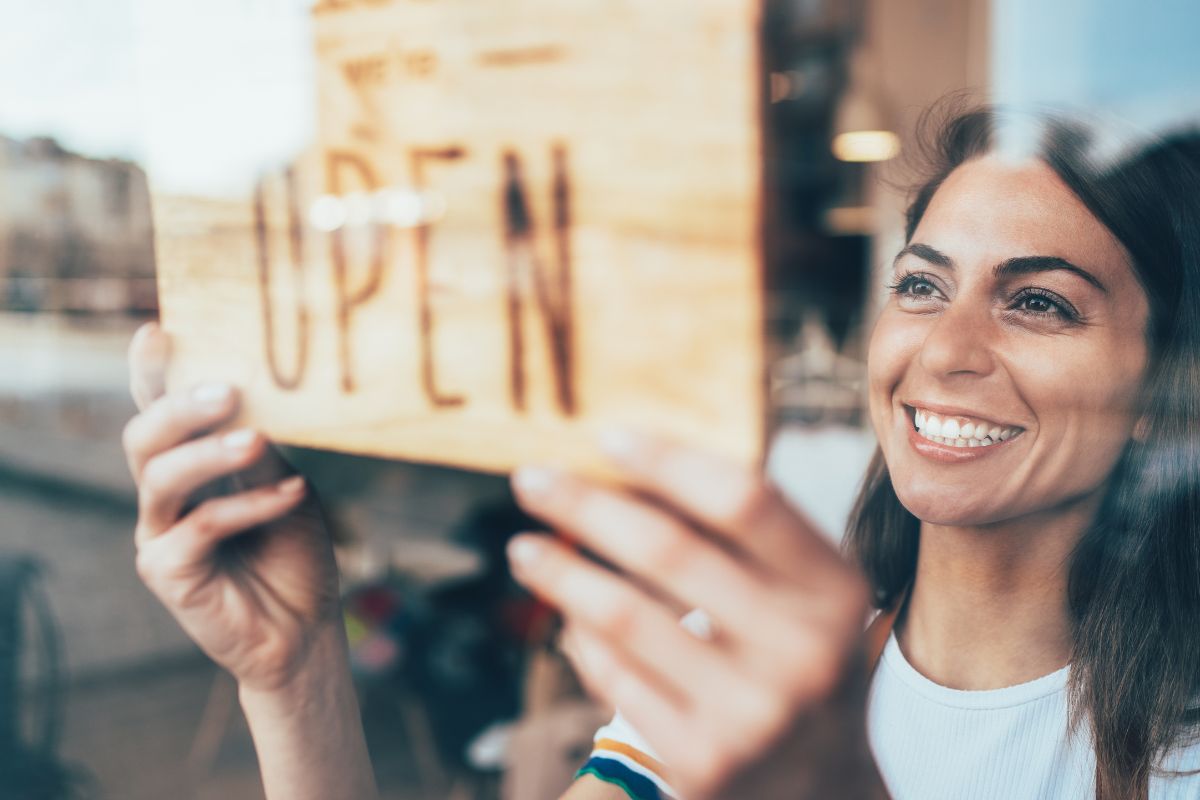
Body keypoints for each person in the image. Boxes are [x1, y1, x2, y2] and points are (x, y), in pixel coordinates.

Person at [121, 103, 1200, 800]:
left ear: (1163, 383)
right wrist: (297, 668)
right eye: (921, 285)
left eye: (1040, 302)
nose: (945, 350)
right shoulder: (729, 667)